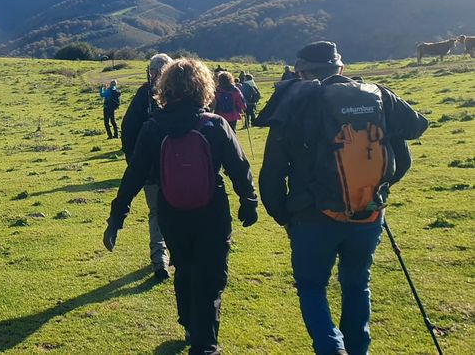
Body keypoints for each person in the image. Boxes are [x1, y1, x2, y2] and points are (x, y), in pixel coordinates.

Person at [256, 41, 428, 355]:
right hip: (368, 214)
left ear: (301, 72)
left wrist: (284, 215)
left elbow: (272, 173)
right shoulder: (377, 97)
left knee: (312, 287)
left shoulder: (295, 103)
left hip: (310, 218)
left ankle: (331, 349)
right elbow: (403, 159)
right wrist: (375, 191)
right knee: (357, 284)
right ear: (341, 68)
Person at [103, 58, 258, 354]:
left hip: (171, 211)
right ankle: (205, 344)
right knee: (211, 276)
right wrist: (248, 201)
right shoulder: (215, 125)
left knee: (184, 268)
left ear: (165, 88)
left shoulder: (152, 128)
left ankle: (189, 323)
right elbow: (239, 167)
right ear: (203, 88)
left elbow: (134, 175)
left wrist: (117, 217)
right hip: (212, 211)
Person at [120, 53, 174, 279]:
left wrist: (136, 162)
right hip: (178, 167)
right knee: (180, 209)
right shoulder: (180, 93)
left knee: (156, 213)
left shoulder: (143, 95)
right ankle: (179, 251)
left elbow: (127, 130)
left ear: (151, 72)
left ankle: (160, 258)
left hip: (150, 170)